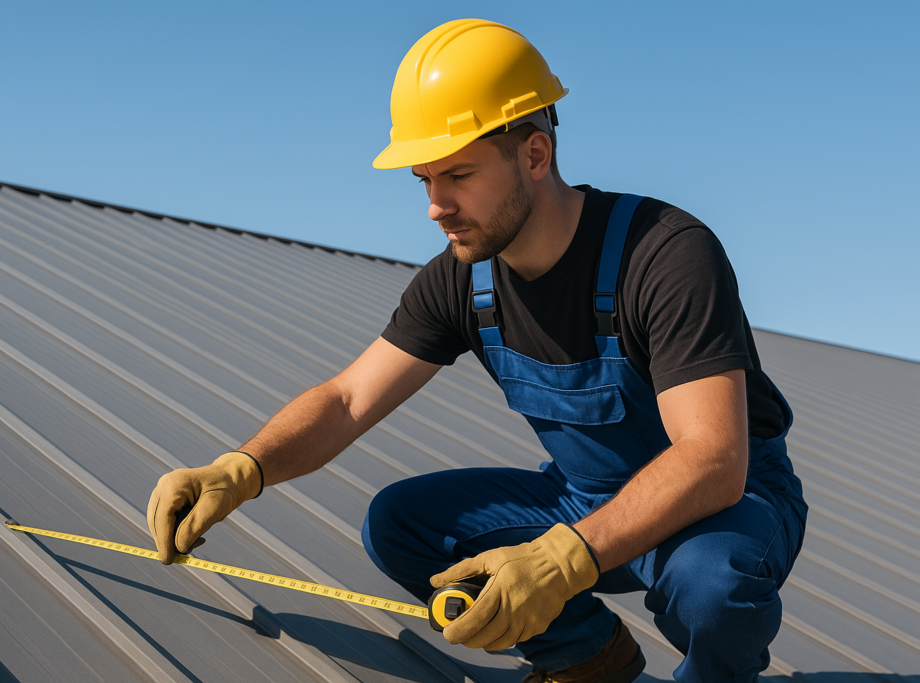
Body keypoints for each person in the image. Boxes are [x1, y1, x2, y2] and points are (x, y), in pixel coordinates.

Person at [146, 18, 808, 683]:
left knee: (711, 586)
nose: (437, 205)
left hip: (725, 507)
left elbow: (714, 458)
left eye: (458, 174)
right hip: (582, 501)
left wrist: (564, 558)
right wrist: (239, 469)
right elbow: (348, 400)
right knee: (400, 523)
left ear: (536, 155)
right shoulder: (464, 280)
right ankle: (586, 658)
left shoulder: (664, 253)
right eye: (424, 179)